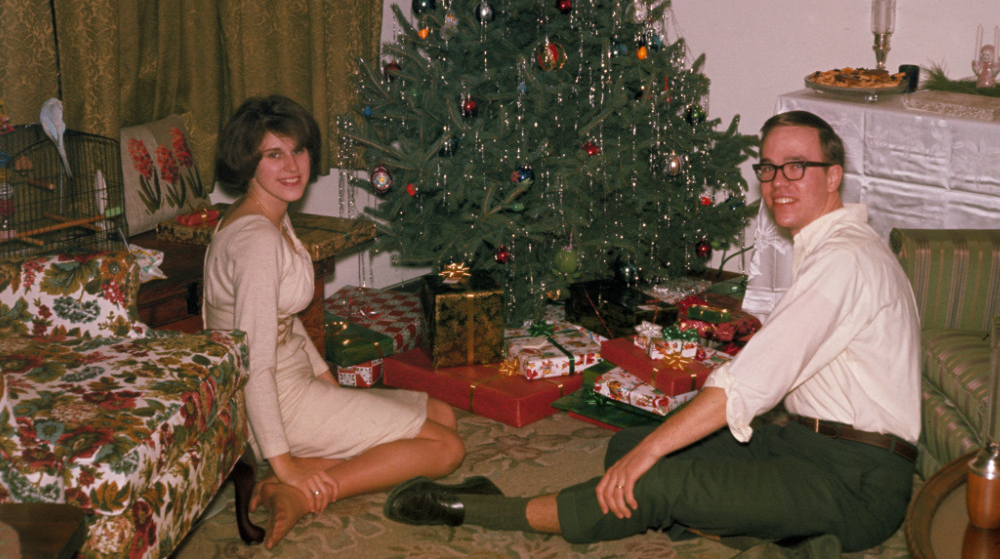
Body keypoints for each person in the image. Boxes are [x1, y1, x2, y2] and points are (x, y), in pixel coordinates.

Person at [383, 110, 921, 556]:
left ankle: (480, 507)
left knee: (648, 475)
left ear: (833, 177)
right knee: (630, 443)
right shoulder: (834, 244)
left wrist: (649, 460)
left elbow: (748, 382)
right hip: (804, 445)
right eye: (769, 169)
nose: (778, 183)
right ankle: (778, 535)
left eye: (797, 167)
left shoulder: (844, 260)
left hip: (857, 484)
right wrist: (648, 449)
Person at [204, 95, 472, 549]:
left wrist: (328, 379)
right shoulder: (257, 244)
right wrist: (284, 461)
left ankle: (311, 465)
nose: (292, 166)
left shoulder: (267, 215)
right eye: (274, 154)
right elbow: (255, 366)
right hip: (274, 400)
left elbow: (283, 322)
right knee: (447, 449)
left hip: (294, 384)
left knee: (441, 414)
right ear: (248, 162)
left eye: (299, 150)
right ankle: (296, 489)